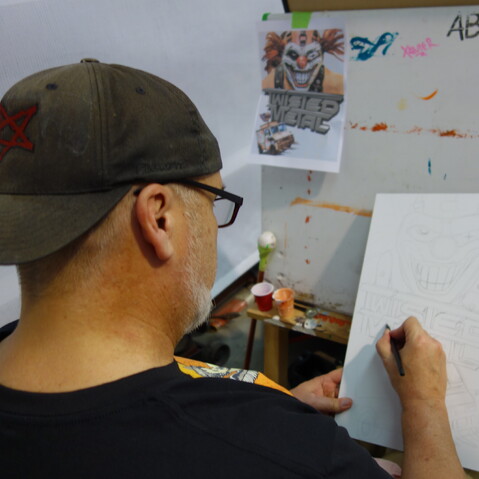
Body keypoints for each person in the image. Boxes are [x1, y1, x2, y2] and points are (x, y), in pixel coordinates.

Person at [0, 60, 464, 478]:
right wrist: (424, 404)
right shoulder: (298, 455)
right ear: (159, 218)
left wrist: (270, 411)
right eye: (214, 200)